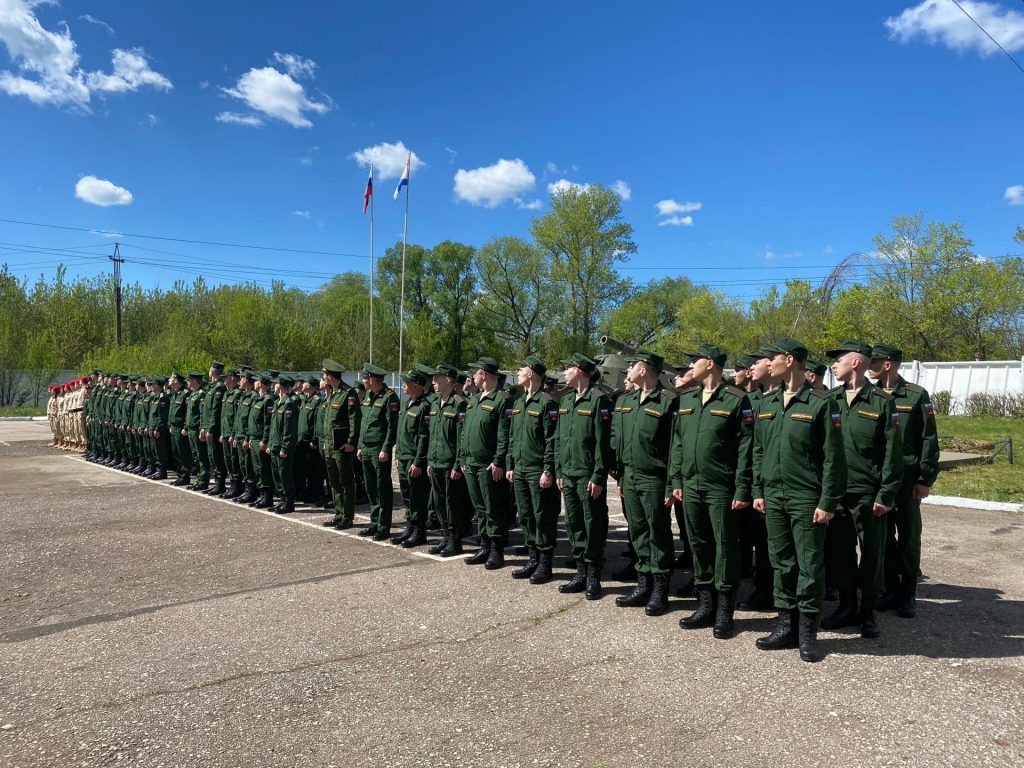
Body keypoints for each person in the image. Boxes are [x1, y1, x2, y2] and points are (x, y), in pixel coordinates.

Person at [752, 337, 846, 662]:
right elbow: (758, 450)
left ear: (789, 360)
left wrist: (827, 501)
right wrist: (757, 490)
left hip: (806, 496)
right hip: (773, 496)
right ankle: (785, 626)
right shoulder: (766, 403)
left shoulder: (821, 403)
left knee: (809, 565)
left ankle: (807, 632)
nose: (767, 363)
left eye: (772, 357)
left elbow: (834, 458)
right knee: (781, 562)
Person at [671, 343, 754, 639]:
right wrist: (676, 480)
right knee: (699, 544)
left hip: (721, 486)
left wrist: (743, 487)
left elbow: (746, 449)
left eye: (694, 361)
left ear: (710, 363)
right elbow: (677, 443)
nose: (690, 366)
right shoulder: (687, 398)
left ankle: (724, 611)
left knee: (725, 549)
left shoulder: (736, 399)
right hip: (691, 485)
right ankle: (705, 604)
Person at [822, 340, 903, 639]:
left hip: (869, 496)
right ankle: (846, 608)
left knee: (871, 556)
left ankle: (867, 613)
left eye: (838, 359)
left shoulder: (882, 401)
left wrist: (886, 495)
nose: (833, 364)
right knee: (840, 555)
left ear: (855, 362)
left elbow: (892, 454)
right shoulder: (829, 400)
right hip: (837, 495)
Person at [869, 343, 940, 619]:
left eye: (874, 361)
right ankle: (890, 589)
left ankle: (908, 594)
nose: (869, 366)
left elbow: (928, 439)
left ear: (888, 364)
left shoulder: (915, 395)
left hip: (908, 478)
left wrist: (925, 478)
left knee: (909, 536)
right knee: (883, 537)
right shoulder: (871, 395)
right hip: (879, 479)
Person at [614, 349, 679, 616]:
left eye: (632, 366)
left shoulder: (667, 402)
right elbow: (619, 439)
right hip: (629, 475)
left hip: (654, 477)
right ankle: (644, 585)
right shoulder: (627, 399)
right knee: (638, 532)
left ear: (644, 369)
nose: (627, 370)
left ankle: (661, 591)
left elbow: (675, 445)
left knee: (657, 534)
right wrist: (619, 474)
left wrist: (670, 483)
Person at [554, 353, 613, 600]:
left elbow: (603, 442)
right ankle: (580, 572)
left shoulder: (599, 400)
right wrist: (558, 470)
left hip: (588, 475)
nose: (564, 373)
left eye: (567, 368)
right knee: (574, 524)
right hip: (568, 474)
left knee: (593, 524)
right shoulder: (566, 400)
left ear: (579, 370)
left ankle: (593, 576)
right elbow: (559, 438)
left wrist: (599, 476)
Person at [507, 355, 560, 584]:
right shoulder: (519, 402)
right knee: (526, 515)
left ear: (531, 373)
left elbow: (551, 440)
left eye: (521, 369)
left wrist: (548, 470)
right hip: (520, 469)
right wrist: (510, 465)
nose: (518, 371)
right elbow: (512, 437)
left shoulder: (547, 402)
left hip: (537, 469)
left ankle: (545, 564)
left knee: (542, 516)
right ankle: (532, 559)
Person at [459, 357, 513, 569]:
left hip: (488, 465)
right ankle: (485, 546)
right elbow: (465, 432)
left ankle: (497, 551)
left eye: (476, 372)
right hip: (471, 463)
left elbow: (504, 435)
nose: (473, 376)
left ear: (486, 374)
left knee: (493, 508)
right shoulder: (473, 400)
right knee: (480, 508)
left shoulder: (502, 400)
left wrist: (499, 461)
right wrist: (463, 457)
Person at [426, 363, 470, 556]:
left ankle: (455, 540)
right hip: (435, 461)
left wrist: (457, 464)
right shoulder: (435, 403)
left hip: (449, 463)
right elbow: (432, 434)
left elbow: (461, 437)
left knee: (452, 503)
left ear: (448, 380)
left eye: (437, 378)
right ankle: (445, 537)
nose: (433, 381)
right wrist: (429, 460)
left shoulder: (459, 403)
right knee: (439, 502)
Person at [357, 363, 399, 540]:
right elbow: (363, 422)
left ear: (373, 379)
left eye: (365, 378)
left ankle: (383, 526)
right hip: (366, 448)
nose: (363, 381)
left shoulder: (390, 397)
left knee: (382, 488)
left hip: (378, 449)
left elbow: (392, 426)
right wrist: (359, 445)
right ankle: (374, 523)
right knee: (371, 487)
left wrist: (386, 448)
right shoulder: (368, 396)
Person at [392, 367, 433, 548]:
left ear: (416, 385)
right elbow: (402, 432)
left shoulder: (424, 407)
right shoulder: (406, 404)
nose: (403, 386)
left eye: (406, 383)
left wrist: (418, 461)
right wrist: (398, 453)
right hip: (404, 457)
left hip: (414, 460)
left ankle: (419, 532)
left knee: (417, 497)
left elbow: (424, 437)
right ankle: (410, 527)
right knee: (407, 496)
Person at [320, 360, 362, 528]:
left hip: (342, 445)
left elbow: (354, 419)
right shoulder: (332, 393)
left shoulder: (348, 393)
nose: (323, 377)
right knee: (334, 481)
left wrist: (352, 442)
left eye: (324, 374)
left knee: (346, 481)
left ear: (330, 376)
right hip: (329, 445)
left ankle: (348, 516)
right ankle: (339, 513)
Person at [268, 373, 301, 513]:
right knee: (277, 474)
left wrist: (285, 447)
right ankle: (282, 499)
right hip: (275, 444)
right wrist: (270, 444)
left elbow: (289, 429)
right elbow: (273, 427)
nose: (273, 386)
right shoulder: (277, 403)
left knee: (285, 474)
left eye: (275, 383)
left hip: (283, 446)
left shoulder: (289, 403)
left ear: (281, 386)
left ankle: (289, 502)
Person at [247, 372, 276, 509]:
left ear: (262, 383)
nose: (254, 382)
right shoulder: (257, 399)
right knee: (257, 469)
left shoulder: (268, 400)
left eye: (257, 380)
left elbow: (268, 423)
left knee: (263, 469)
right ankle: (261, 495)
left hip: (260, 440)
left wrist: (265, 440)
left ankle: (267, 497)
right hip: (253, 439)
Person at [200, 361, 227, 496]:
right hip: (208, 428)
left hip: (215, 430)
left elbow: (216, 411)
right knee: (211, 456)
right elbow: (206, 410)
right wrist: (203, 427)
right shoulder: (212, 388)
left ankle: (220, 484)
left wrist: (210, 428)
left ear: (213, 372)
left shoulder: (219, 388)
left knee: (216, 457)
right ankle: (217, 482)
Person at [185, 372, 209, 490]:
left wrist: (201, 428)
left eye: (189, 379)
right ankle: (199, 478)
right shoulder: (193, 393)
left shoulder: (201, 394)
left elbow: (201, 413)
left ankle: (203, 480)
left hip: (196, 428)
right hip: (191, 428)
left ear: (194, 380)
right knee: (195, 455)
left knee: (201, 455)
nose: (187, 382)